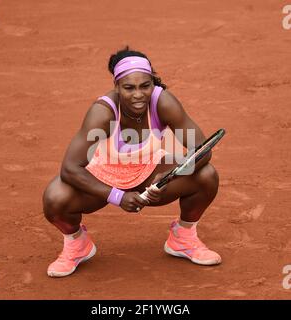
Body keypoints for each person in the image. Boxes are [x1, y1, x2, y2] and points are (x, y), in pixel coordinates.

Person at [42, 46, 221, 278]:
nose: (138, 94)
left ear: (153, 83)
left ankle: (183, 238)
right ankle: (77, 244)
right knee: (55, 198)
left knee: (207, 176)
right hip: (101, 175)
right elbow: (69, 168)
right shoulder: (102, 112)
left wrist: (171, 177)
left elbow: (202, 150)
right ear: (117, 87)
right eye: (129, 88)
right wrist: (117, 195)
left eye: (145, 86)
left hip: (149, 171)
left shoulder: (163, 102)